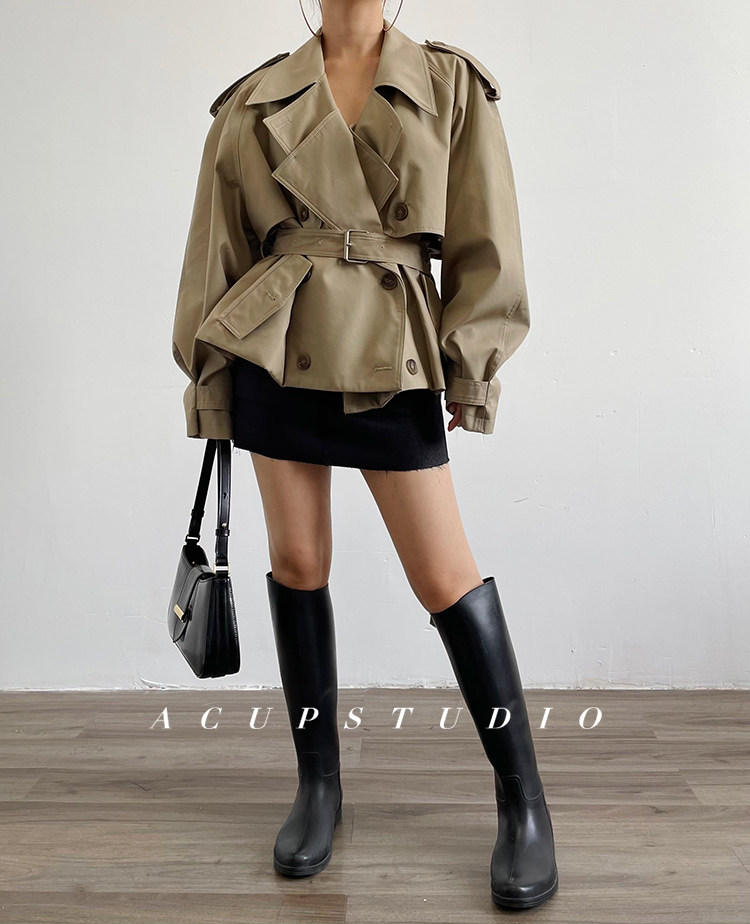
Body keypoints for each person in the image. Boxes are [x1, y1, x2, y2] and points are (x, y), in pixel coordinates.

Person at [171, 0, 558, 910]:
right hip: (277, 350)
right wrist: (210, 388)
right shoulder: (254, 100)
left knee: (444, 578)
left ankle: (523, 800)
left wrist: (470, 369)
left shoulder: (451, 85)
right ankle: (318, 785)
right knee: (299, 563)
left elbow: (487, 242)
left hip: (396, 351)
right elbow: (214, 255)